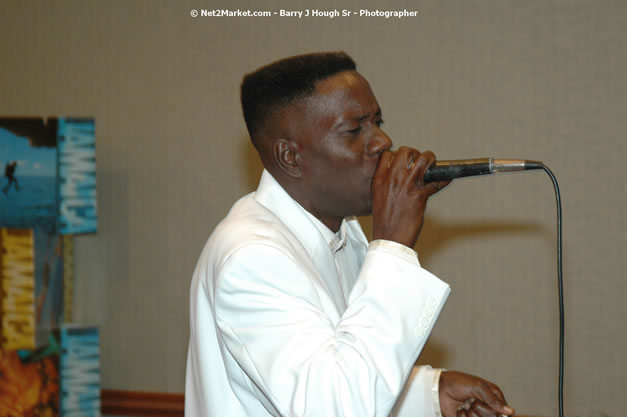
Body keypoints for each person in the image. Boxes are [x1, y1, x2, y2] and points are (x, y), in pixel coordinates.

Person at [185, 52, 515, 417]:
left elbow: (335, 365)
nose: (382, 141)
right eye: (355, 130)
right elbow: (334, 407)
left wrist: (428, 394)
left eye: (378, 122)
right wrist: (392, 246)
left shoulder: (342, 231)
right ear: (290, 156)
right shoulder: (251, 257)